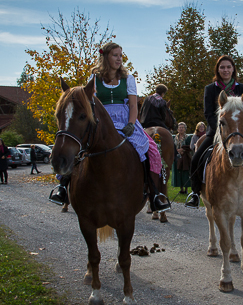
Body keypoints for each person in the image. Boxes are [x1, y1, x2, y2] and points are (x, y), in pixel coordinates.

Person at [50, 42, 170, 212]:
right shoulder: (94, 79)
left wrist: (130, 123)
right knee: (80, 146)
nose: (119, 59)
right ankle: (63, 187)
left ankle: (154, 194)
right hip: (101, 119)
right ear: (106, 57)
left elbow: (134, 106)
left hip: (126, 118)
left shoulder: (128, 79)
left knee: (151, 150)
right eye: (115, 55)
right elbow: (88, 105)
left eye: (121, 55)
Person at [185, 55, 243, 209]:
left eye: (228, 67)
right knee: (196, 159)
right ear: (218, 69)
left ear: (233, 69)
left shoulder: (241, 88)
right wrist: (222, 131)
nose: (225, 70)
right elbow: (208, 113)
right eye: (222, 67)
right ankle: (195, 193)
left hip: (240, 133)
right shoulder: (210, 89)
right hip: (217, 132)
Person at [172, 122, 192, 194]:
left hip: (185, 157)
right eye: (180, 127)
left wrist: (183, 150)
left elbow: (190, 147)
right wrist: (177, 151)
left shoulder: (188, 137)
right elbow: (172, 146)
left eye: (182, 127)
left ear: (185, 129)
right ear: (177, 129)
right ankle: (181, 189)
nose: (181, 129)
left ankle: (186, 189)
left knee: (185, 172)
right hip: (177, 156)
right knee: (178, 172)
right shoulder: (174, 137)